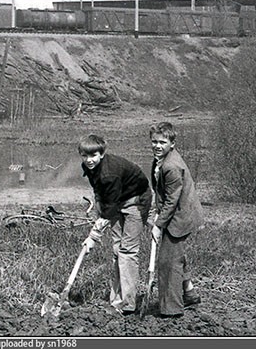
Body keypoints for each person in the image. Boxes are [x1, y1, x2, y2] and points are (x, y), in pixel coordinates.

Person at [79, 134, 150, 316]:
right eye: (85, 156)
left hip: (136, 201)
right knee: (117, 249)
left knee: (128, 251)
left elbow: (109, 208)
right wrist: (98, 208)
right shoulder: (90, 167)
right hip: (117, 199)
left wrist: (93, 236)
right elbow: (99, 192)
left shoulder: (109, 174)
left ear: (102, 154)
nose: (89, 160)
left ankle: (127, 304)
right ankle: (116, 299)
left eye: (93, 155)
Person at [149, 122, 204, 318]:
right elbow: (162, 193)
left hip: (181, 216)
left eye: (162, 142)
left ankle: (171, 310)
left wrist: (158, 225)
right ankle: (189, 294)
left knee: (168, 262)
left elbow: (172, 200)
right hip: (177, 212)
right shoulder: (160, 160)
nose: (157, 146)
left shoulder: (171, 166)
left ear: (172, 143)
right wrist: (157, 210)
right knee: (175, 255)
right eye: (154, 141)